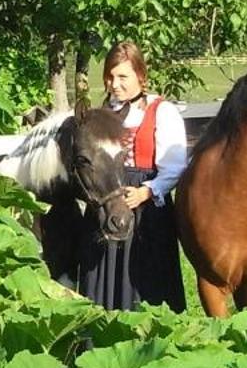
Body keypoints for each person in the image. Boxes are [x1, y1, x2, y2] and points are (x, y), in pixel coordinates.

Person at [78, 41, 187, 312]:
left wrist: (146, 192)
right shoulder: (98, 115)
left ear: (141, 76)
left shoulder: (161, 111)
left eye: (122, 76)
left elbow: (174, 167)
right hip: (105, 200)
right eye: (110, 76)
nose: (115, 84)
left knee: (144, 280)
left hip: (146, 210)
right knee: (101, 276)